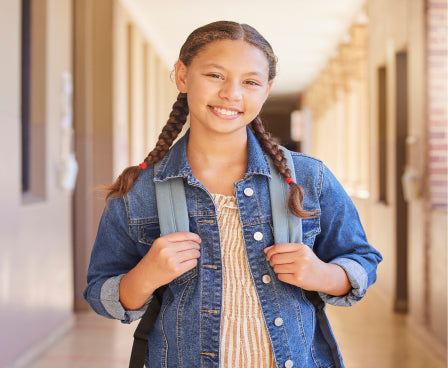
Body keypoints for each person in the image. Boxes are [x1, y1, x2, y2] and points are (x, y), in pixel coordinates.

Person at [84, 20, 382, 368]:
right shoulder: (139, 192)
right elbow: (100, 292)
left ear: (266, 90)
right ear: (182, 75)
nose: (232, 93)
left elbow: (361, 258)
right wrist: (146, 275)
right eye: (215, 75)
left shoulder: (309, 177)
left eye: (250, 82)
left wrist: (324, 275)